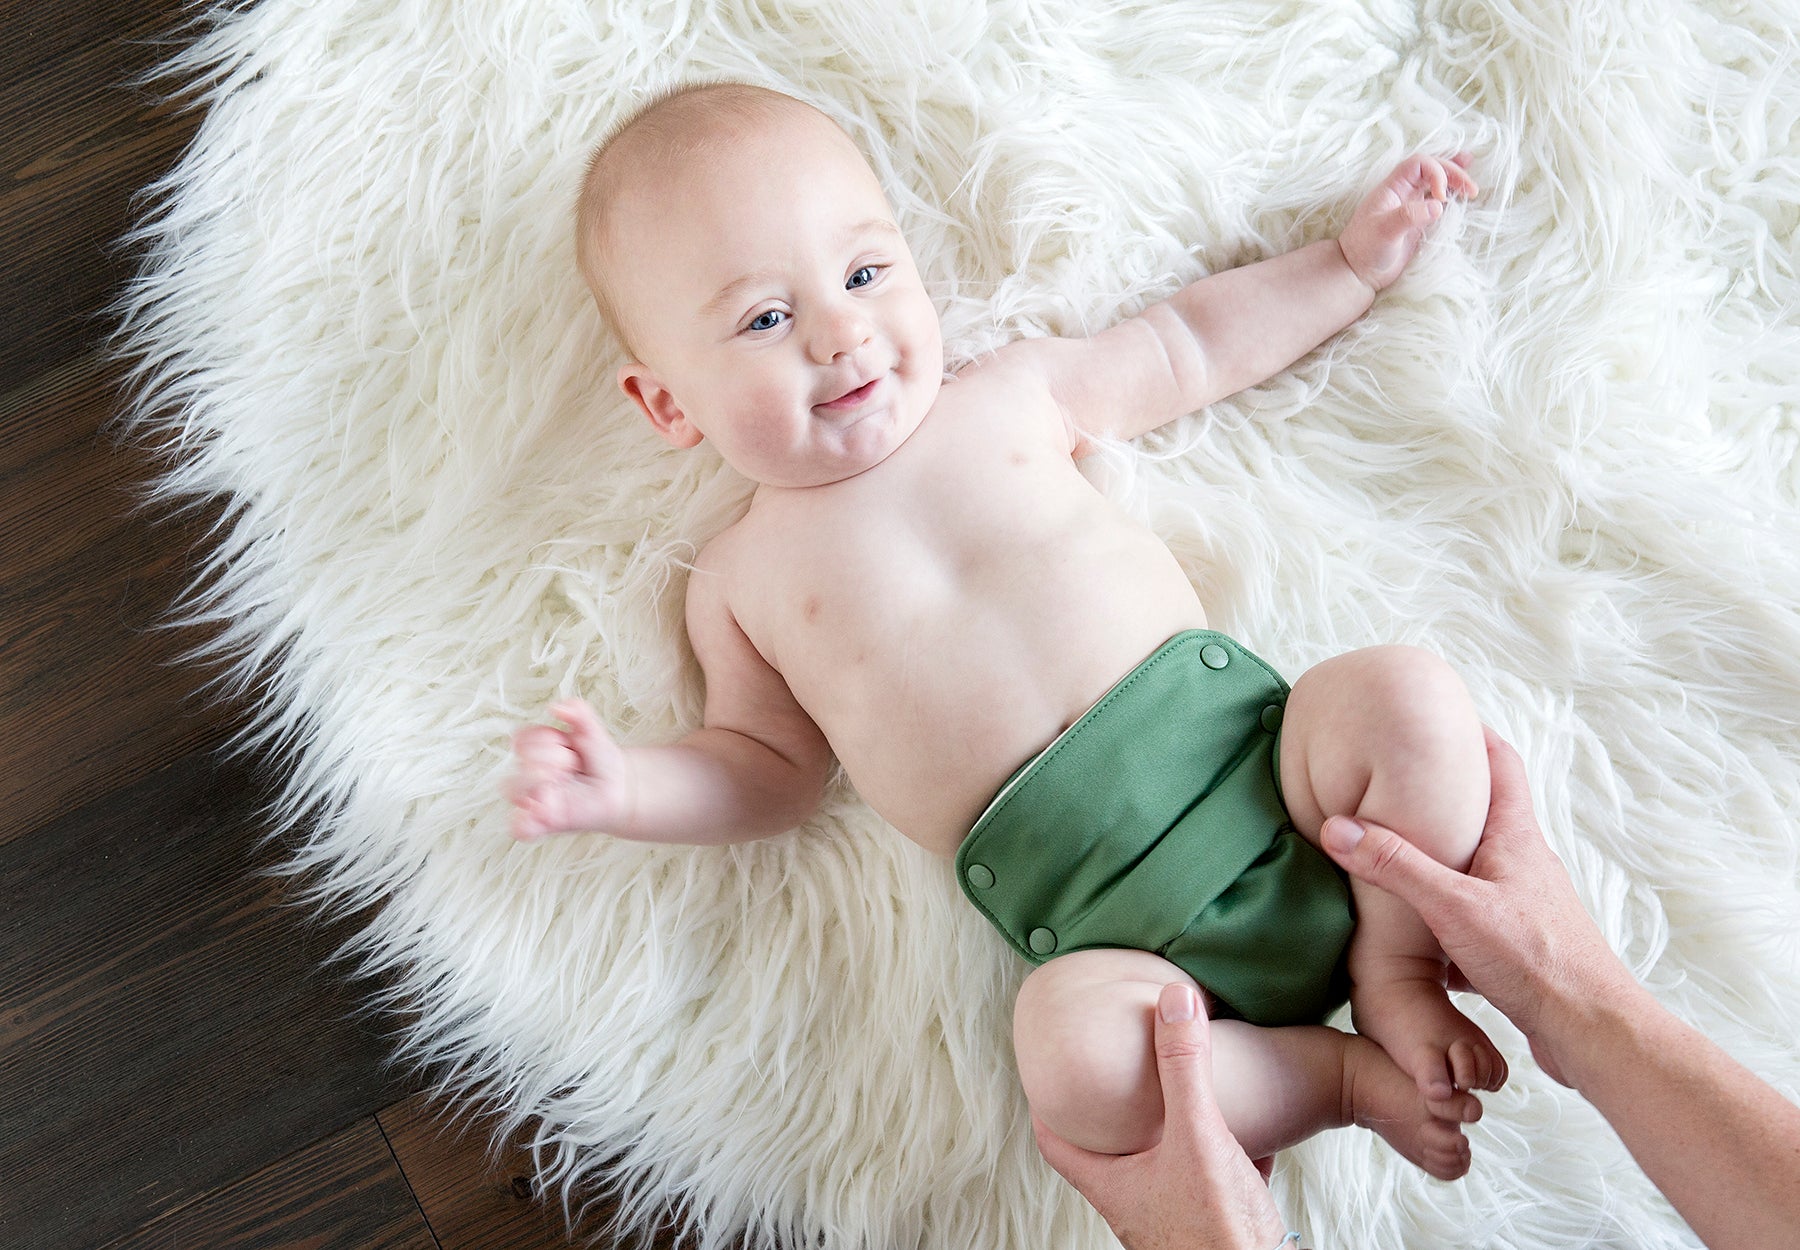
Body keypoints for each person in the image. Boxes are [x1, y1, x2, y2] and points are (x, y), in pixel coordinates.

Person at [508, 80, 1501, 1176]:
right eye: (766, 318)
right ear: (667, 405)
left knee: (1404, 698)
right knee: (1073, 1063)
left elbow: (1190, 344)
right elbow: (768, 769)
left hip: (1278, 782)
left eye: (864, 273)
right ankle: (1338, 1077)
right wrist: (630, 789)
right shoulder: (739, 584)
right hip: (1132, 958)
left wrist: (1349, 267)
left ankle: (1398, 963)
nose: (842, 334)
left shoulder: (1009, 395)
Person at [1036, 728, 1800, 1250]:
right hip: (1152, 925)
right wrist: (1585, 1007)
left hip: (1265, 802)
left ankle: (1392, 984)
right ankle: (1357, 1060)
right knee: (1084, 1064)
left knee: (1410, 709)